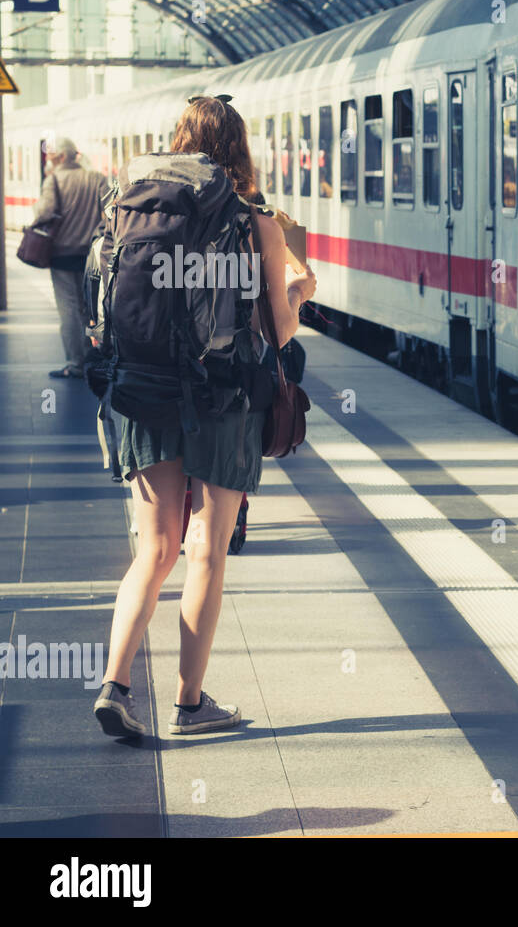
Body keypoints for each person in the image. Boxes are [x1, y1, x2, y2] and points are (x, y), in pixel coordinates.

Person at [92, 95, 317, 738]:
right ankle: (190, 704)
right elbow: (277, 330)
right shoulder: (256, 224)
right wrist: (303, 288)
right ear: (239, 149)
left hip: (142, 390)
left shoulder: (128, 205)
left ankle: (116, 685)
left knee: (154, 549)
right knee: (205, 553)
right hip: (224, 399)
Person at [31, 139, 109, 379]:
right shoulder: (96, 178)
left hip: (61, 253)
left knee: (68, 309)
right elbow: (109, 212)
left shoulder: (54, 180)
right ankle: (90, 357)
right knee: (87, 308)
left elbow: (44, 212)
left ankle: (75, 363)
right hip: (89, 255)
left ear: (62, 157)